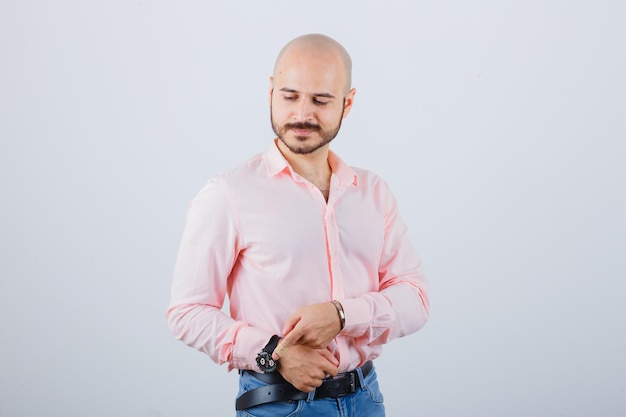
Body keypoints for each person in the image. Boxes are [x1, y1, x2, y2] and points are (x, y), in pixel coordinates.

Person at [166, 33, 430, 416]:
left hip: (366, 397)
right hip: (279, 404)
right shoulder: (228, 194)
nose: (302, 113)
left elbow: (416, 299)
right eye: (289, 96)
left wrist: (342, 315)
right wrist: (274, 353)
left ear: (348, 103)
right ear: (270, 92)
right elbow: (187, 311)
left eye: (321, 100)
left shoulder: (373, 192)